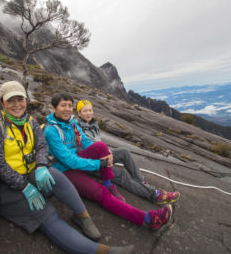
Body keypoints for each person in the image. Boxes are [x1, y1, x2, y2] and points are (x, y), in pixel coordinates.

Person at [0, 81, 134, 254]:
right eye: (11, 100)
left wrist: (40, 166)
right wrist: (23, 186)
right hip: (9, 186)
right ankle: (100, 251)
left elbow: (42, 147)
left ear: (26, 100)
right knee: (47, 213)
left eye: (20, 99)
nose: (17, 104)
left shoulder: (30, 122)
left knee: (55, 174)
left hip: (31, 173)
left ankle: (82, 216)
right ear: (2, 102)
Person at [43, 92, 173, 232]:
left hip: (77, 160)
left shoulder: (72, 123)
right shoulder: (51, 131)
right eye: (63, 105)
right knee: (101, 193)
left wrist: (105, 154)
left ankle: (109, 184)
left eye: (69, 105)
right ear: (54, 107)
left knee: (101, 146)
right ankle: (149, 219)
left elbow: (86, 142)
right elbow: (70, 161)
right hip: (65, 171)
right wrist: (99, 164)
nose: (67, 109)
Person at [75, 99, 181, 204]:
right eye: (85, 111)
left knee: (124, 152)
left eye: (90, 110)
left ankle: (141, 182)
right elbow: (83, 151)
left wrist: (107, 153)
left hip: (103, 156)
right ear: (79, 113)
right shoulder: (78, 129)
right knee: (121, 174)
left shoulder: (92, 124)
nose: (89, 113)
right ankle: (154, 195)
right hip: (93, 163)